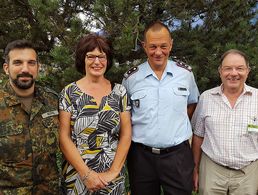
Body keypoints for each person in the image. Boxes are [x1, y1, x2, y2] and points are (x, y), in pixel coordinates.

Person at [122, 21, 199, 195]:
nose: (158, 52)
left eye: (163, 46)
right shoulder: (131, 78)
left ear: (171, 44)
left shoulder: (185, 74)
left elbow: (192, 104)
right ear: (144, 46)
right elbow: (125, 114)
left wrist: (171, 126)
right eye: (153, 46)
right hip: (141, 158)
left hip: (177, 156)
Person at [59, 33, 131, 195]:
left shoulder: (120, 92)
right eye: (91, 56)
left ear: (108, 60)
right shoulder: (68, 93)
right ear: (82, 59)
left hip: (111, 177)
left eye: (101, 57)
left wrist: (113, 171)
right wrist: (86, 174)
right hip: (77, 175)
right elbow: (64, 138)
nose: (97, 62)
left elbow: (126, 134)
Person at [191, 49, 258, 195]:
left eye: (240, 68)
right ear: (220, 71)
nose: (233, 73)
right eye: (228, 68)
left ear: (248, 71)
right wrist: (195, 169)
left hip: (248, 172)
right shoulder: (206, 98)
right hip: (212, 171)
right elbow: (198, 136)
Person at [0, 40, 60, 194]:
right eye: (18, 63)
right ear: (6, 68)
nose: (25, 69)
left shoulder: (52, 101)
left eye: (31, 63)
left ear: (38, 68)